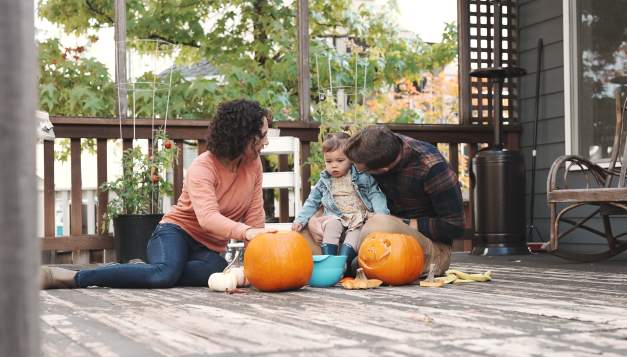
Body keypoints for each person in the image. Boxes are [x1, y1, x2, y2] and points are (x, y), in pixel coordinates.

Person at [41, 99, 276, 289]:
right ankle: (72, 278)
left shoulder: (253, 165)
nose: (266, 141)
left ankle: (140, 269)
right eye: (262, 134)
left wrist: (260, 257)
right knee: (163, 275)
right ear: (242, 135)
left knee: (215, 271)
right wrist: (246, 231)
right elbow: (208, 218)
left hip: (208, 250)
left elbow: (255, 215)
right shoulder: (204, 167)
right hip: (175, 233)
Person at [303, 125, 465, 276]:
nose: (357, 172)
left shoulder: (431, 167)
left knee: (379, 224)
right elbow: (338, 193)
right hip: (357, 227)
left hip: (427, 247)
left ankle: (351, 265)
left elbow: (455, 226)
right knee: (302, 240)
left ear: (383, 170)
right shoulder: (373, 146)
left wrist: (401, 222)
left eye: (363, 171)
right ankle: (348, 264)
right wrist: (314, 219)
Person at [292, 133, 389, 276]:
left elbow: (375, 194)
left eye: (340, 160)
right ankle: (328, 262)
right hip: (334, 216)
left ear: (350, 159)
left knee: (354, 234)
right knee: (332, 225)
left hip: (357, 218)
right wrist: (301, 219)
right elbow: (312, 201)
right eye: (329, 161)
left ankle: (343, 263)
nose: (334, 165)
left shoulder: (362, 177)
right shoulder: (324, 181)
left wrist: (381, 215)